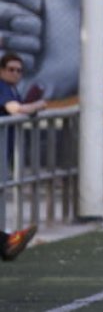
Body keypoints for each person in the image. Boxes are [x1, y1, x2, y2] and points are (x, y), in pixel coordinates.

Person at [2, 53, 45, 263]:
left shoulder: (11, 89)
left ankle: (7, 241)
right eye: (11, 69)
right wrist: (38, 105)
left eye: (19, 70)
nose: (16, 74)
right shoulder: (2, 88)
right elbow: (16, 110)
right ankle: (7, 241)